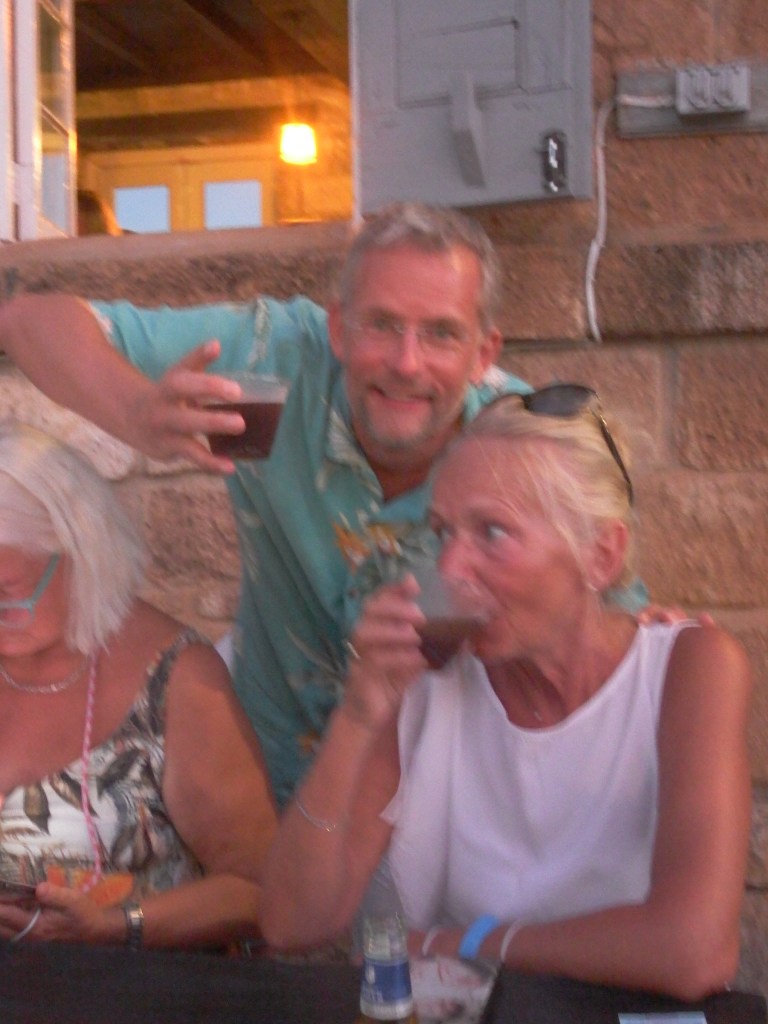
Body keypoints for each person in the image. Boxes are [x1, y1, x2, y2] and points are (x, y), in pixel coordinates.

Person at [0, 203, 644, 805]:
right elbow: (27, 321)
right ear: (338, 329)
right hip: (266, 778)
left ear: (483, 356)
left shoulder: (518, 448)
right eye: (381, 325)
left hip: (440, 801)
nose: (406, 362)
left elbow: (614, 626)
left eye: (441, 334)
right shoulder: (271, 374)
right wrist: (136, 410)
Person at [258, 386, 752, 1000]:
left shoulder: (689, 668)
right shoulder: (425, 682)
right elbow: (291, 924)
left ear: (601, 557)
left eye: (492, 532)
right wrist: (357, 718)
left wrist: (461, 943)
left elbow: (694, 951)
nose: (450, 570)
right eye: (443, 533)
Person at [0, 423, 277, 949]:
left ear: (81, 557)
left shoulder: (177, 679)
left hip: (130, 986)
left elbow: (261, 892)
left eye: (5, 593)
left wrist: (118, 926)